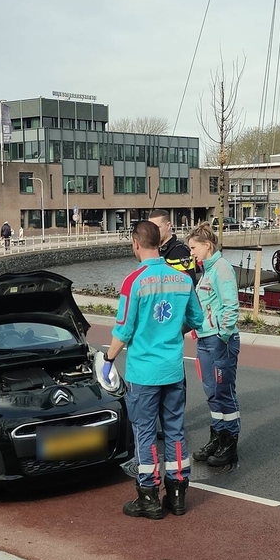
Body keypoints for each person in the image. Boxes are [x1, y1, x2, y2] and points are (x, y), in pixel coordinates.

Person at [106, 221, 203, 519]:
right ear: (158, 243)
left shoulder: (133, 282)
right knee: (175, 431)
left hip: (143, 373)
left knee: (145, 433)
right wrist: (173, 332)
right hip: (173, 370)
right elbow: (196, 319)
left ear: (136, 243)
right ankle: (177, 495)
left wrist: (108, 359)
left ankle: (148, 496)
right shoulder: (182, 279)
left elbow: (124, 330)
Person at [187, 223, 241, 467]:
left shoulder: (221, 269)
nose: (191, 253)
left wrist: (222, 335)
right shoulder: (206, 270)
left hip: (220, 340)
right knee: (211, 393)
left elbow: (231, 306)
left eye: (193, 247)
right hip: (205, 339)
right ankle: (217, 437)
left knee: (224, 393)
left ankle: (230, 442)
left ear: (207, 245)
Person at [147, 209, 197, 283]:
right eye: (150, 229)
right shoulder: (155, 251)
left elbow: (189, 283)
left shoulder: (179, 252)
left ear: (168, 226)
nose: (153, 232)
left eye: (157, 228)